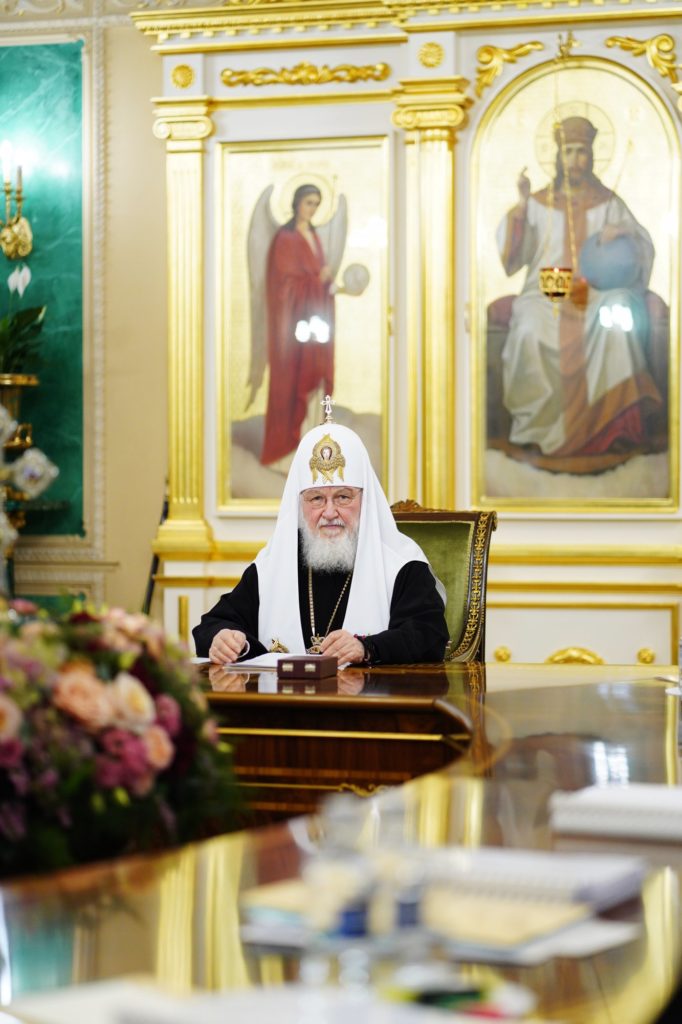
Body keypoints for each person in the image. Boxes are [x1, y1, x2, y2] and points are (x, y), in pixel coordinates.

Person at [193, 421, 449, 665]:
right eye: (316, 499)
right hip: (286, 697)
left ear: (365, 499)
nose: (329, 512)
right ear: (300, 504)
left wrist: (367, 648)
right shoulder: (274, 565)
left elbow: (429, 634)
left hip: (371, 697)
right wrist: (225, 639)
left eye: (343, 497)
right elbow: (214, 624)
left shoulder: (400, 563)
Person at [495, 115, 662, 467]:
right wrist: (522, 206)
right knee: (528, 328)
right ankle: (536, 432)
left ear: (591, 155)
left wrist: (623, 232)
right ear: (558, 156)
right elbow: (514, 259)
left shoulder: (608, 202)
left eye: (581, 152)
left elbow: (641, 244)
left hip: (595, 291)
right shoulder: (538, 202)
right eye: (568, 152)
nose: (575, 160)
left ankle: (617, 430)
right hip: (547, 292)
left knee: (617, 315)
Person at [260, 184, 336, 467]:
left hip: (315, 320)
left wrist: (324, 281)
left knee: (315, 377)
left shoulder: (313, 235)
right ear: (296, 203)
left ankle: (312, 451)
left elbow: (313, 274)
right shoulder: (285, 238)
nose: (312, 209)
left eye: (316, 204)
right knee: (293, 381)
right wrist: (316, 280)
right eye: (308, 203)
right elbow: (283, 285)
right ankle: (287, 455)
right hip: (293, 328)